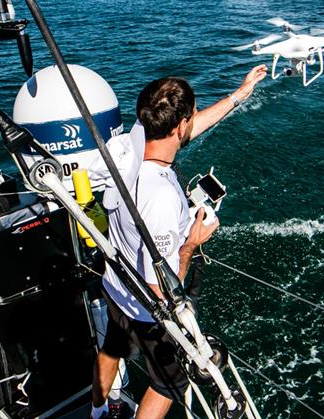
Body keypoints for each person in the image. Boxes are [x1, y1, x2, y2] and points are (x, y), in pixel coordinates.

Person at [91, 65, 268, 419]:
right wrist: (191, 240)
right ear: (180, 125)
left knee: (112, 347)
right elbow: (163, 288)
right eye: (189, 118)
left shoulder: (127, 145)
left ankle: (96, 413)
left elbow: (189, 128)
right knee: (168, 385)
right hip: (147, 308)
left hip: (116, 285)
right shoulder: (161, 198)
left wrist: (238, 95)